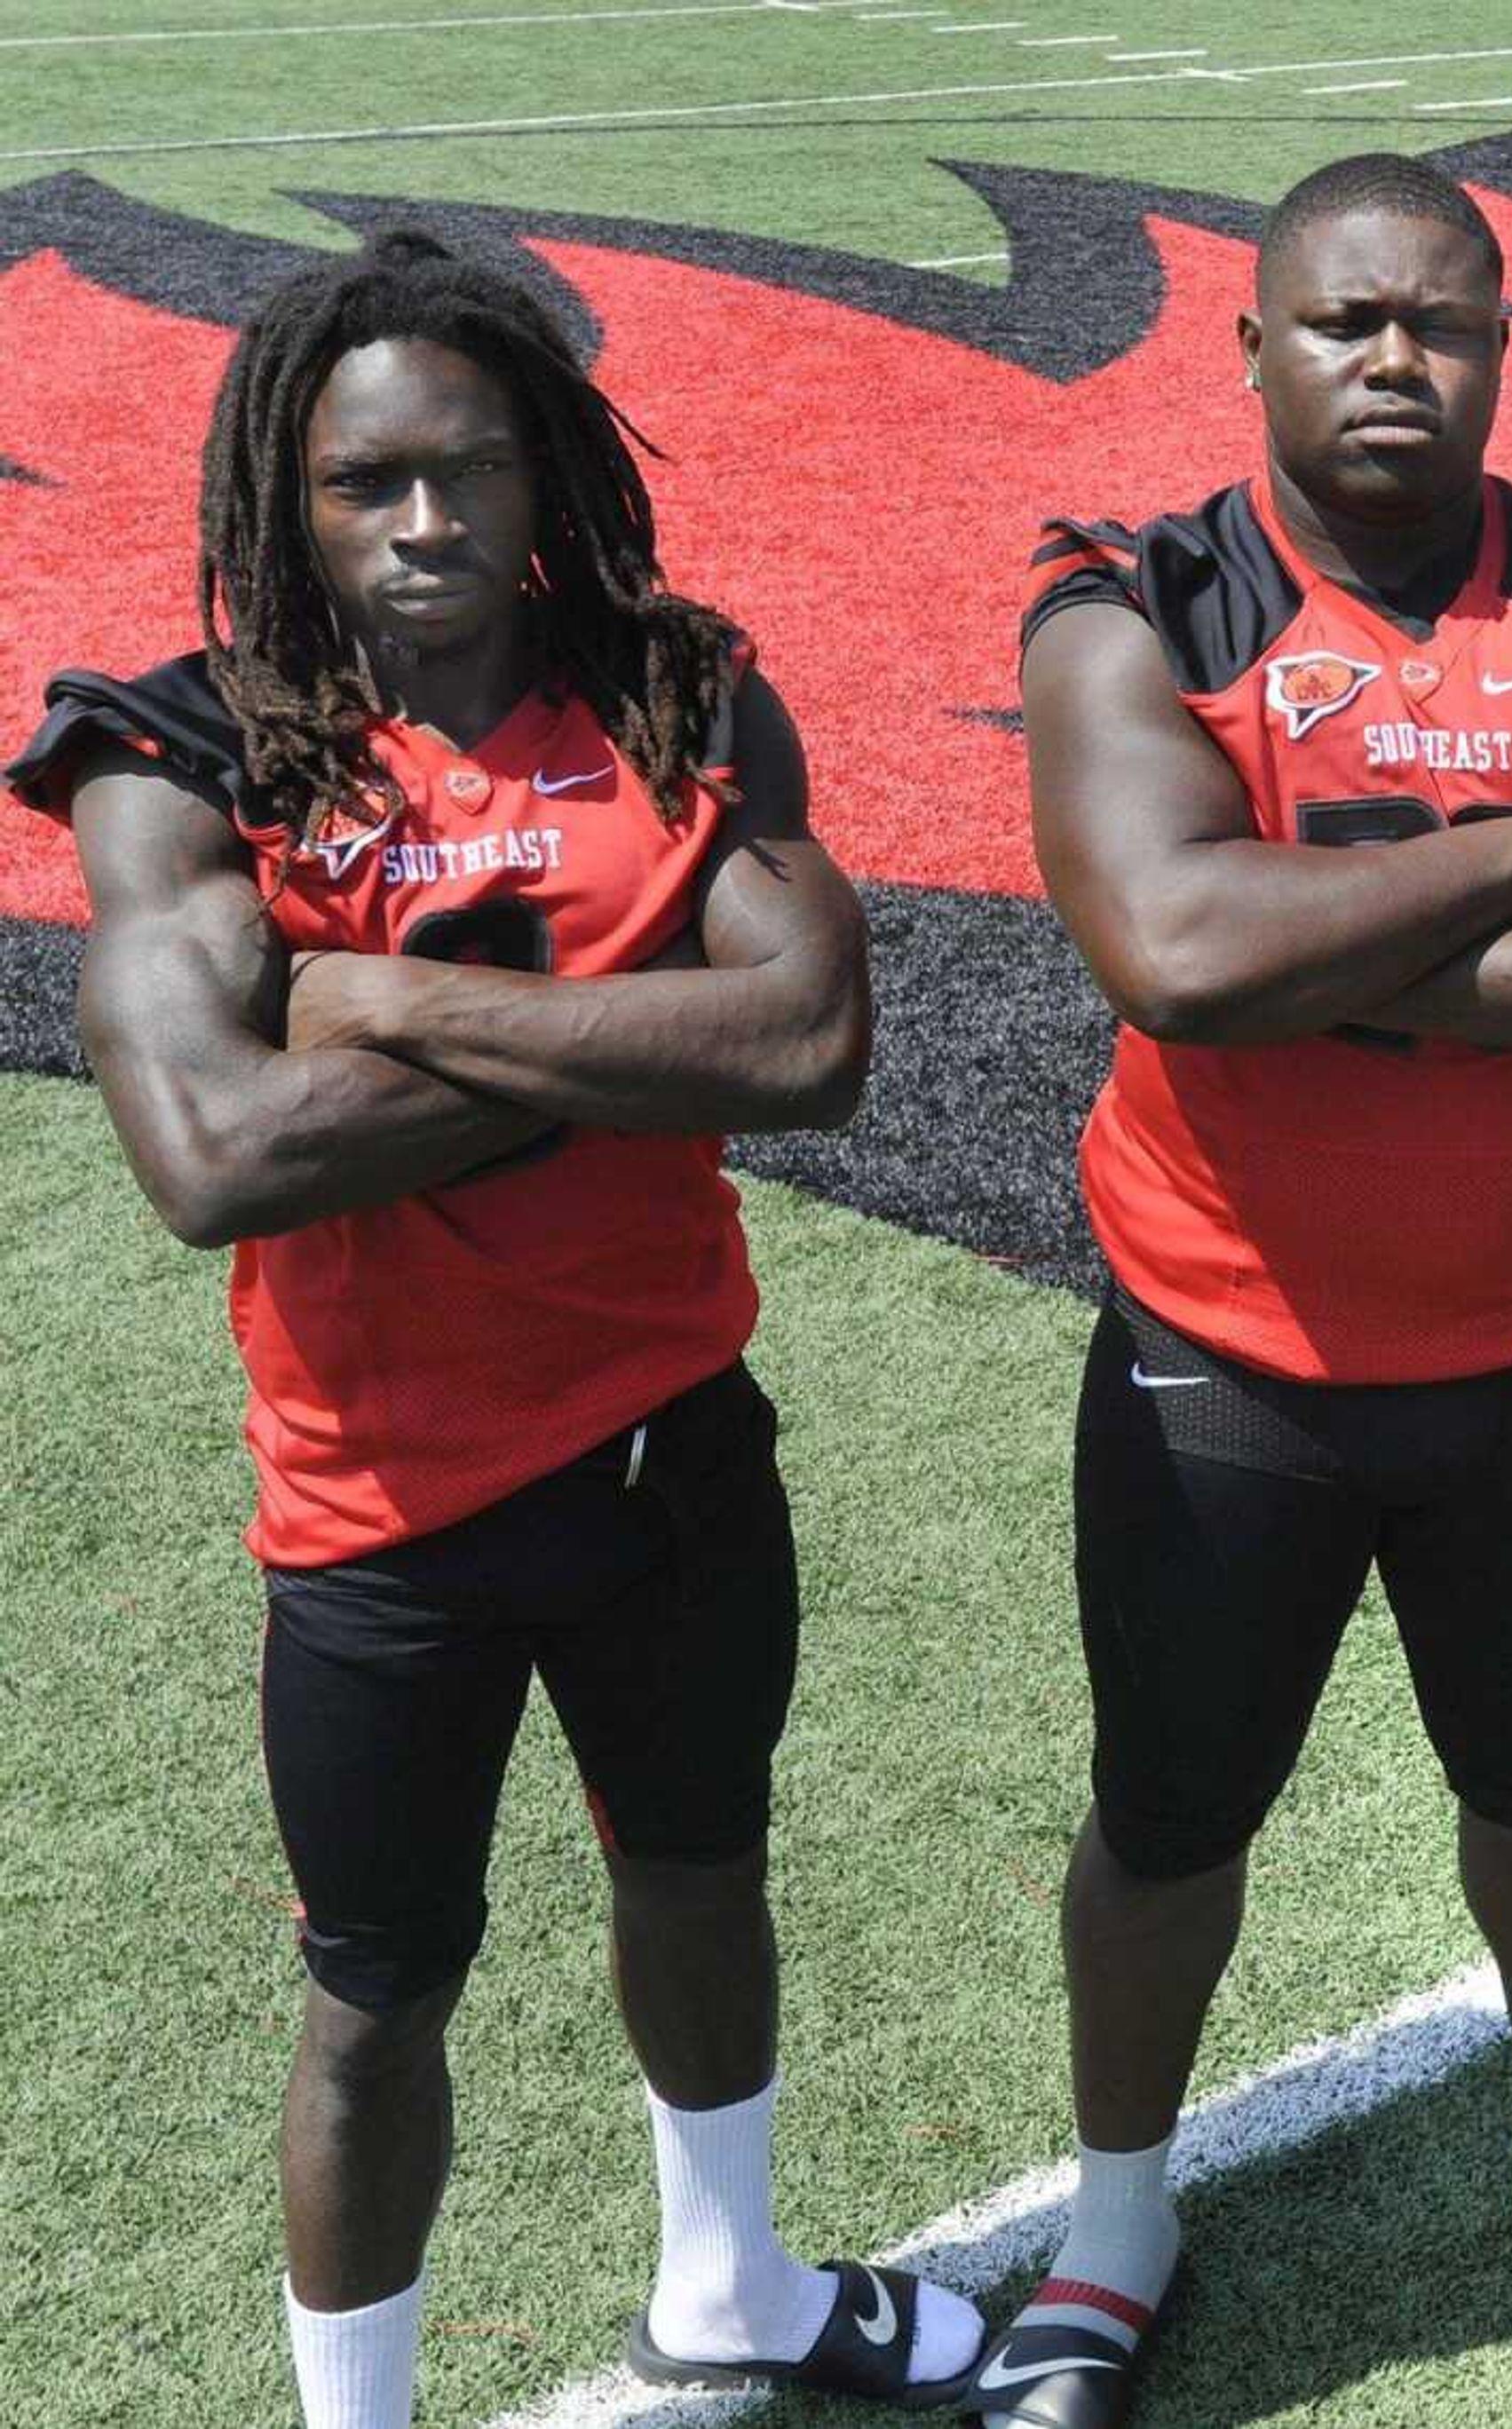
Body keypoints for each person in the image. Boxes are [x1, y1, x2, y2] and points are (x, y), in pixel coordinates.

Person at [3, 233, 984, 2426]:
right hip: (381, 1515)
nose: (424, 524)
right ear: (292, 501)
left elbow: (813, 1039)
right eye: (368, 484)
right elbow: (219, 1160)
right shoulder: (182, 755)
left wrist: (390, 994)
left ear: (550, 473)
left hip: (668, 1453)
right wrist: (636, 1026)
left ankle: (726, 2286)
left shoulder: (669, 689)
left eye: (470, 468)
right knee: (376, 1999)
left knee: (705, 1872)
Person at [992, 153, 1512, 2425]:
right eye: (1343, 320)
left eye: (1439, 324)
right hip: (1222, 1355)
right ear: (1251, 343)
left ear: (1497, 347)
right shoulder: (1132, 591)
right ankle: (1118, 2219)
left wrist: (1328, 954)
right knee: (1168, 1814)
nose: (1390, 358)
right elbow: (1166, 946)